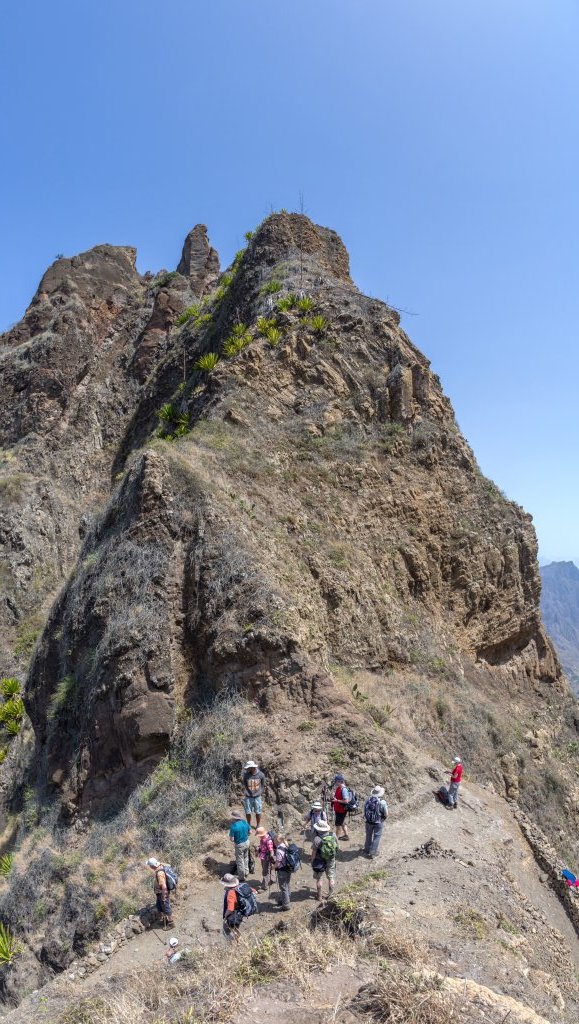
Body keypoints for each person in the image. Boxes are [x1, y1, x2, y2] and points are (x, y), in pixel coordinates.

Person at [221, 872, 258, 941]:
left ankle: (235, 942)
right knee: (236, 927)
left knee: (228, 930)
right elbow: (255, 892)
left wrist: (225, 916)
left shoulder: (231, 893)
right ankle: (239, 939)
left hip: (234, 914)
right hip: (241, 912)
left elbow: (230, 909)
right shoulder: (243, 885)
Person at [311, 820, 338, 902]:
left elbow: (314, 852)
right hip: (331, 859)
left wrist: (312, 861)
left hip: (319, 861)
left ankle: (319, 896)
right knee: (331, 878)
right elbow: (337, 847)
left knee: (319, 879)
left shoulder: (317, 839)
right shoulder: (333, 835)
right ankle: (330, 895)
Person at [146, 857, 174, 927]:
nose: (149, 867)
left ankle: (171, 923)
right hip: (159, 893)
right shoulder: (161, 865)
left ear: (152, 866)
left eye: (150, 866)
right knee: (159, 906)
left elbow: (164, 886)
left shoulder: (159, 873)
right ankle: (165, 920)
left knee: (166, 907)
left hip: (163, 893)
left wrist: (164, 896)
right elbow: (169, 865)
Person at [363, 785, 388, 858]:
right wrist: (383, 818)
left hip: (368, 822)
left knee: (368, 835)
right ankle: (373, 852)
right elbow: (386, 814)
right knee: (377, 836)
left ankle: (367, 849)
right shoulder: (382, 802)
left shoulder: (368, 800)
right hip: (378, 822)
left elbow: (364, 810)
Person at [242, 760, 266, 827]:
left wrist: (259, 793)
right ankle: (248, 825)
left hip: (257, 797)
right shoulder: (246, 775)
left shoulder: (261, 775)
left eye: (248, 768)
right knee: (248, 812)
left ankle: (258, 825)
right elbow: (245, 784)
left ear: (252, 767)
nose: (247, 769)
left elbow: (263, 785)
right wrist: (247, 792)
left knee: (258, 812)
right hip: (248, 796)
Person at [229, 811, 251, 881]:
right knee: (246, 857)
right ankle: (247, 872)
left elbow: (232, 839)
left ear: (234, 818)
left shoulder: (233, 826)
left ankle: (241, 877)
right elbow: (250, 832)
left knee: (240, 861)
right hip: (247, 842)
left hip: (239, 845)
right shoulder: (245, 822)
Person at [274, 835, 291, 911]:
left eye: (274, 840)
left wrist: (272, 867)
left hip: (282, 870)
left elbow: (277, 863)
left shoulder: (278, 850)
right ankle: (287, 899)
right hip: (288, 868)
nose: (273, 841)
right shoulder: (285, 845)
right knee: (287, 884)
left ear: (277, 840)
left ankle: (286, 905)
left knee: (283, 887)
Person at [255, 826, 275, 891]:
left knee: (265, 872)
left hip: (266, 858)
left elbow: (271, 850)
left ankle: (264, 887)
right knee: (267, 869)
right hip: (263, 857)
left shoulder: (268, 841)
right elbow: (262, 846)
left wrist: (271, 858)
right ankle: (272, 879)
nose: (258, 836)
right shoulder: (263, 838)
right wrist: (259, 848)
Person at [332, 774, 350, 840]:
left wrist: (337, 800)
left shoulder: (344, 789)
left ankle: (335, 839)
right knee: (342, 822)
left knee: (338, 825)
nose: (335, 782)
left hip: (341, 810)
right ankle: (346, 835)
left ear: (339, 781)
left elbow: (346, 801)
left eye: (336, 781)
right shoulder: (339, 788)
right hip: (339, 809)